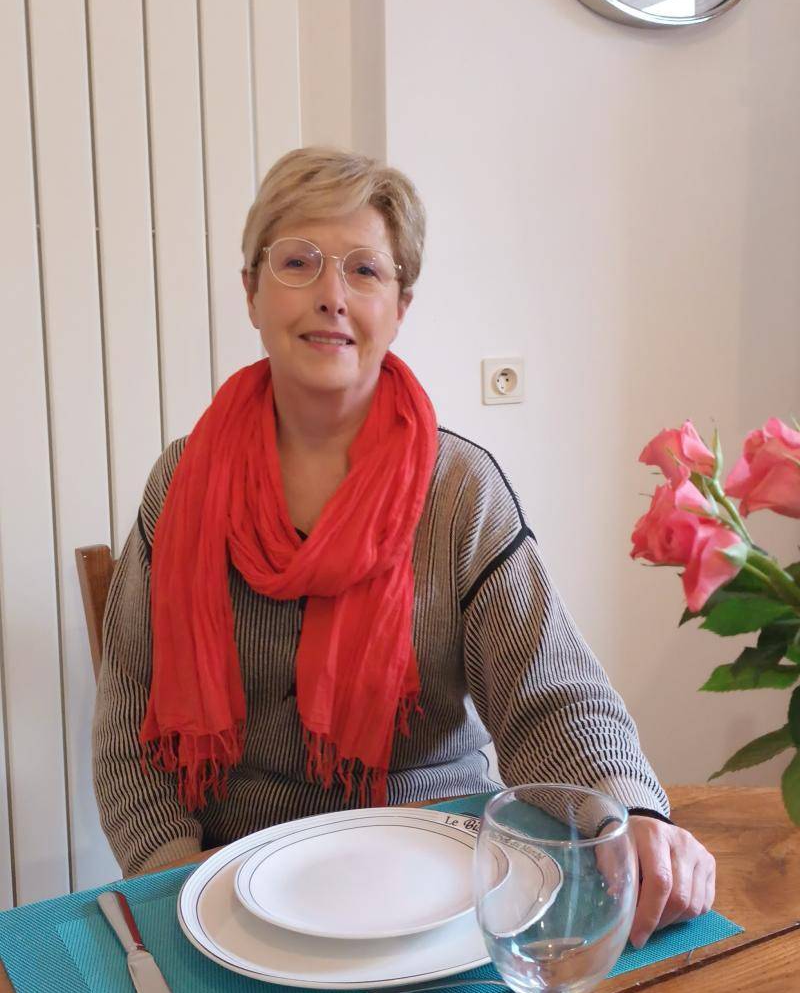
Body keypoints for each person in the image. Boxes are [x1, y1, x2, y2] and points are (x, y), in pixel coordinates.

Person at [93, 147, 714, 949]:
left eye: (364, 270)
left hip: (440, 875)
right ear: (251, 292)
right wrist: (176, 882)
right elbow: (129, 726)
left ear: (400, 305)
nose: (331, 295)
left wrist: (629, 813)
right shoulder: (180, 482)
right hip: (230, 884)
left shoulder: (461, 490)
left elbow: (550, 694)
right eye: (298, 263)